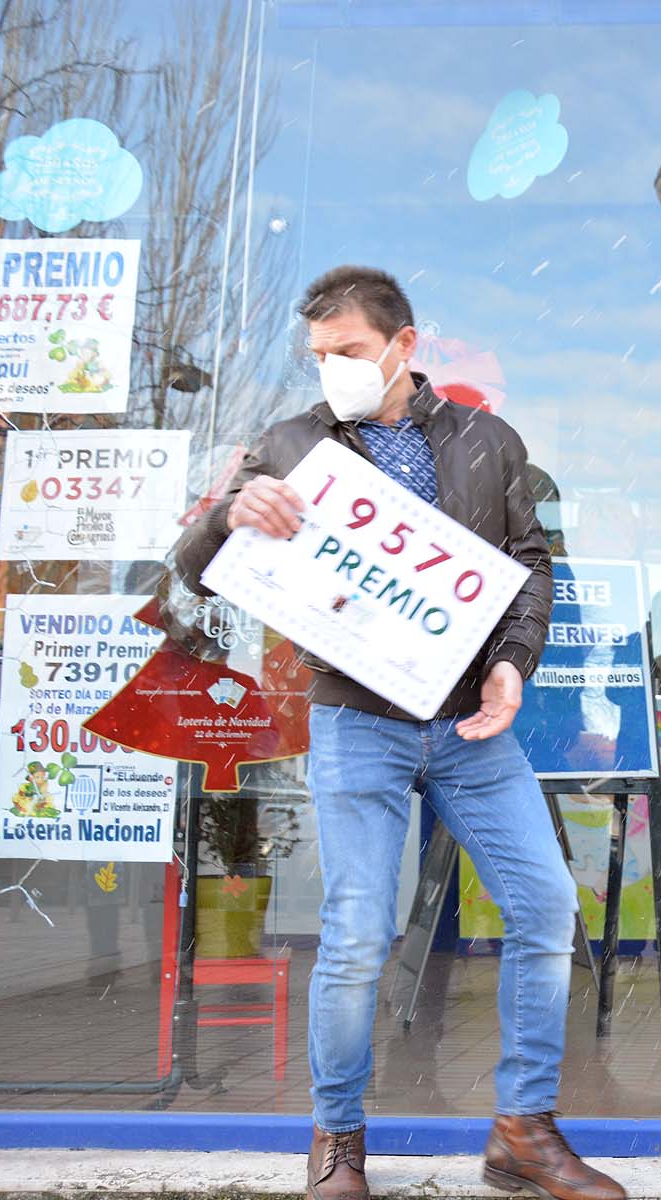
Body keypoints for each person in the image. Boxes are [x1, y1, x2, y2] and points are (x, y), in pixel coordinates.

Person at [172, 266, 624, 1200]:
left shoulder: (488, 442)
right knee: (355, 936)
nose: (332, 369)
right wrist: (226, 516)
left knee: (545, 911)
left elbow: (529, 568)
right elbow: (195, 568)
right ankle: (336, 1143)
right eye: (319, 356)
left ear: (404, 346)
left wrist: (512, 662)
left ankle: (522, 1131)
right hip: (357, 722)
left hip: (468, 725)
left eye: (350, 352)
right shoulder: (290, 443)